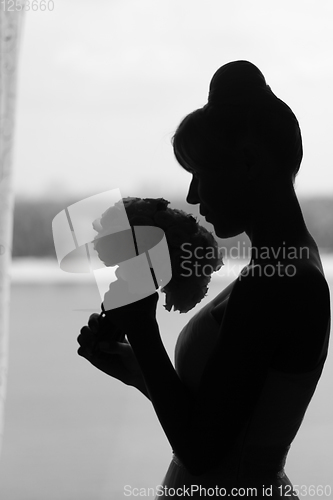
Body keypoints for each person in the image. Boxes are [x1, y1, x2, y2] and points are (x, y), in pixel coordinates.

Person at [77, 61, 331, 498]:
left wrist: (142, 329)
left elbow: (203, 452)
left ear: (249, 161)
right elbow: (225, 420)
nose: (193, 195)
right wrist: (137, 367)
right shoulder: (286, 264)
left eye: (200, 172)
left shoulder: (274, 284)